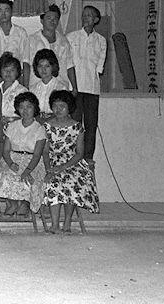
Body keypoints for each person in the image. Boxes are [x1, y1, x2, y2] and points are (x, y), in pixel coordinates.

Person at [43, 90, 99, 234]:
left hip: (72, 162)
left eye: (62, 106)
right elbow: (45, 151)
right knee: (52, 182)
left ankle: (67, 221)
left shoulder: (77, 127)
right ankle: (54, 224)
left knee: (71, 182)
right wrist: (50, 168)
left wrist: (63, 166)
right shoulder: (47, 126)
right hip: (52, 161)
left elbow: (79, 153)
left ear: (69, 108)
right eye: (55, 106)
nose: (58, 109)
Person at [66, 6, 107, 164]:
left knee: (91, 124)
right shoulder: (72, 37)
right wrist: (73, 87)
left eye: (90, 16)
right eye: (84, 15)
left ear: (96, 19)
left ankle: (88, 158)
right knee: (75, 124)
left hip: (92, 88)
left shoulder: (101, 40)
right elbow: (69, 63)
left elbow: (100, 67)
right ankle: (72, 157)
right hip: (74, 88)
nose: (86, 18)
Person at [0, 92, 46, 217]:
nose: (25, 110)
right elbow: (6, 150)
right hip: (13, 158)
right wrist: (11, 163)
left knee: (28, 179)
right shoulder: (12, 126)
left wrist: (27, 170)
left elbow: (37, 155)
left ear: (35, 108)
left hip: (32, 162)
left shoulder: (39, 129)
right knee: (6, 176)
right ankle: (12, 203)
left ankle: (25, 204)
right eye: (21, 107)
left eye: (28, 106)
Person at [27, 3, 76, 91]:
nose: (52, 21)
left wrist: (75, 88)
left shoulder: (64, 41)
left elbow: (70, 66)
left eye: (55, 19)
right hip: (37, 86)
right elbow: (26, 64)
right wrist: (25, 87)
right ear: (41, 20)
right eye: (48, 18)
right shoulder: (32, 40)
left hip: (60, 86)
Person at [0, 0, 31, 84]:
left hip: (16, 76)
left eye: (6, 10)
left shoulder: (21, 32)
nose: (3, 14)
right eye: (0, 10)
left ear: (11, 12)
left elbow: (26, 61)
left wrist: (26, 85)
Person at [30, 49, 67, 121]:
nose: (43, 69)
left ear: (53, 67)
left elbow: (64, 111)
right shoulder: (32, 89)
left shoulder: (61, 88)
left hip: (56, 122)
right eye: (40, 66)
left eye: (47, 66)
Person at [0, 53, 28, 128]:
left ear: (18, 72)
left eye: (12, 70)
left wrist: (11, 119)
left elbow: (27, 113)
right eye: (5, 69)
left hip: (15, 127)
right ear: (0, 71)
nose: (8, 72)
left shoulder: (22, 91)